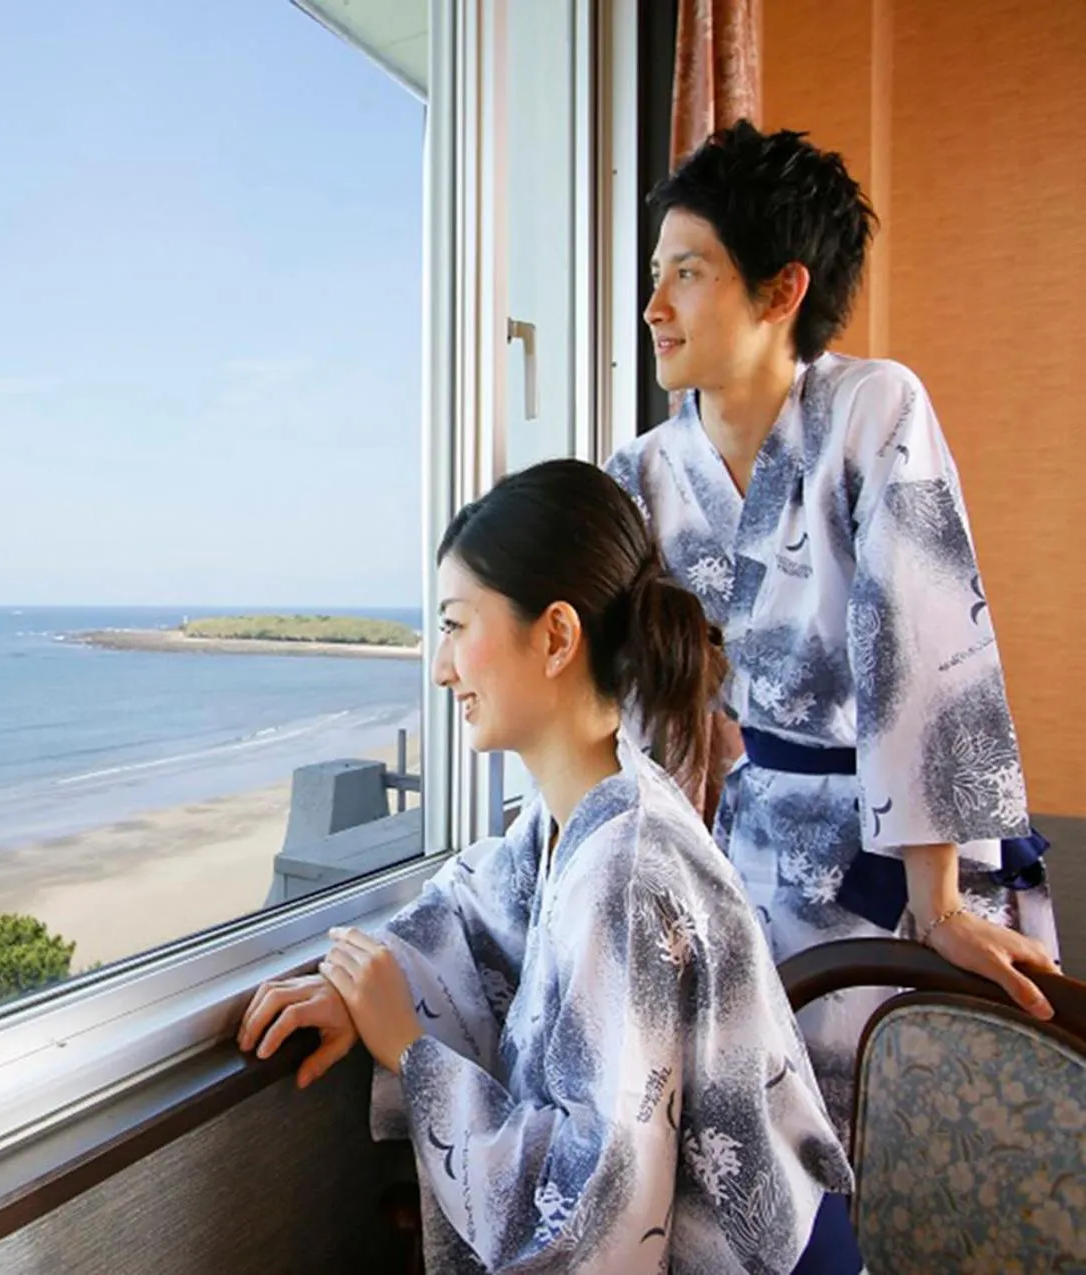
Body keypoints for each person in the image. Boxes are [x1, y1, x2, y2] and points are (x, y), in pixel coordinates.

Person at [240, 460, 857, 1274]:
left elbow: (592, 1222)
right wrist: (365, 981)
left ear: (557, 636)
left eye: (457, 626)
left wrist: (408, 1050)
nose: (440, 667)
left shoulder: (627, 871)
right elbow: (477, 906)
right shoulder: (588, 806)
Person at [607, 120, 1060, 1131]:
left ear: (781, 292)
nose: (655, 306)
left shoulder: (873, 410)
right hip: (754, 853)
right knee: (772, 1152)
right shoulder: (636, 474)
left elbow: (925, 636)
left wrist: (939, 907)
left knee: (920, 1145)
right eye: (654, 273)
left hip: (908, 861)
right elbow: (634, 708)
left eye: (688, 273)